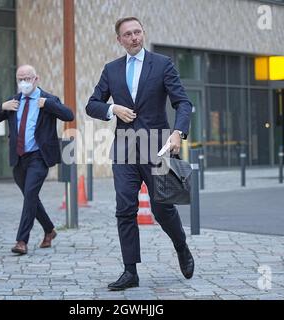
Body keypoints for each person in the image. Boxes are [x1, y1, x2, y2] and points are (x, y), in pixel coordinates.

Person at [86, 17, 195, 290]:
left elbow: (182, 102)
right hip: (124, 147)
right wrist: (113, 110)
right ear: (119, 39)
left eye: (137, 32)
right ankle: (130, 271)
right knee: (125, 208)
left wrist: (178, 133)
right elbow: (92, 104)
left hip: (157, 146)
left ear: (143, 33)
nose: (134, 37)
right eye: (128, 34)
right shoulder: (111, 70)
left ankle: (181, 246)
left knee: (161, 208)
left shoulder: (162, 64)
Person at [0, 65, 74, 255]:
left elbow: (69, 115)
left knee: (30, 195)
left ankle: (21, 241)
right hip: (19, 158)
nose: (24, 82)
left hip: (39, 157)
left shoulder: (48, 100)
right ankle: (49, 230)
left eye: (28, 78)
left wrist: (49, 105)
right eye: (20, 79)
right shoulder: (14, 101)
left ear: (36, 79)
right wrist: (2, 107)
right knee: (30, 196)